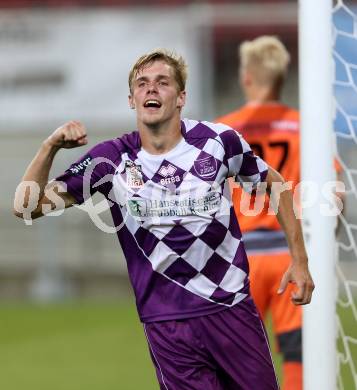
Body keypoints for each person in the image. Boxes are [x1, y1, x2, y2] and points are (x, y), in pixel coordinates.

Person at [14, 49, 314, 390]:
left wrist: (300, 260)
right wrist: (49, 146)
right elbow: (29, 206)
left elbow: (273, 183)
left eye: (162, 82)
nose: (151, 89)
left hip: (230, 311)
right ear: (132, 99)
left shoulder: (218, 142)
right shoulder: (111, 160)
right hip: (167, 323)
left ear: (181, 96)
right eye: (142, 84)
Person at [216, 36, 304, 390]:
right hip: (289, 254)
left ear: (247, 78)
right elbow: (336, 191)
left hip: (242, 258)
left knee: (238, 354)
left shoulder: (225, 129)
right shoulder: (304, 127)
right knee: (298, 352)